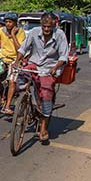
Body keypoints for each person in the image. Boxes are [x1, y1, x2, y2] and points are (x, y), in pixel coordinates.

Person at [15, 12, 69, 143]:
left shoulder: (60, 35)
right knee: (20, 76)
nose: (46, 29)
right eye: (44, 26)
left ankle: (43, 127)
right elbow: (23, 49)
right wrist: (17, 61)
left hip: (49, 68)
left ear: (54, 25)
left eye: (49, 27)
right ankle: (25, 102)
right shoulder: (34, 32)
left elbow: (63, 56)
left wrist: (55, 68)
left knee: (46, 95)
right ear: (41, 24)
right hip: (34, 63)